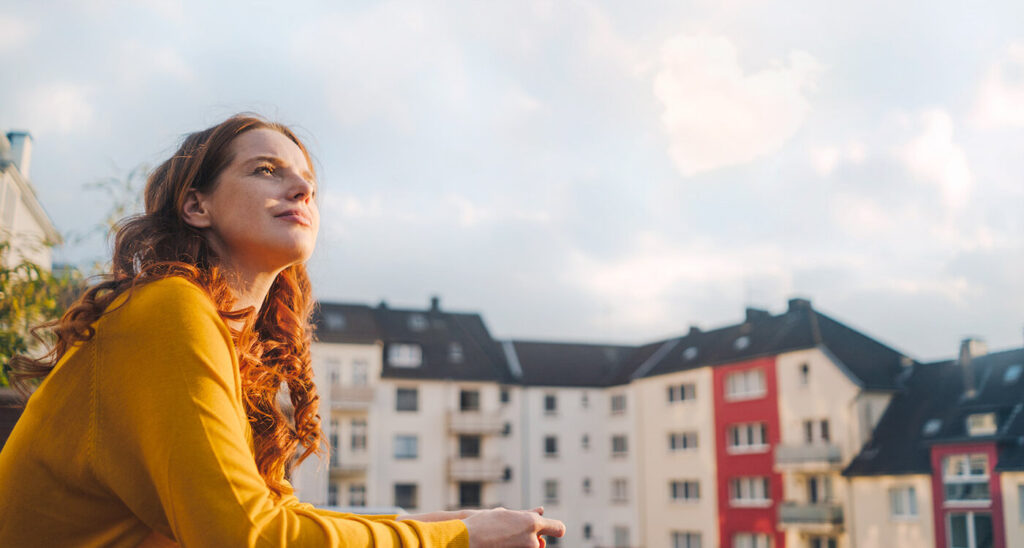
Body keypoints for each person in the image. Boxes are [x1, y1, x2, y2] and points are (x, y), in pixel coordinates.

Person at [0, 114, 565, 547]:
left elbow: (279, 521)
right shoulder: (168, 310)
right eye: (266, 170)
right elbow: (249, 536)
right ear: (196, 205)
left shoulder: (225, 341)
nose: (302, 190)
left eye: (308, 181)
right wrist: (460, 538)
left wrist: (447, 523)